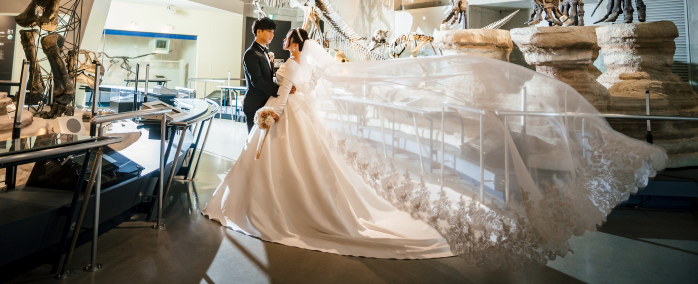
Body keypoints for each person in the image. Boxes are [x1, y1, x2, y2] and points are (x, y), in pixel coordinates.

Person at [204, 29, 666, 266]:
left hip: (287, 119)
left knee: (303, 178)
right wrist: (275, 109)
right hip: (283, 118)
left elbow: (291, 93)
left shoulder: (298, 67)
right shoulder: (293, 66)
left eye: (289, 41)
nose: (286, 44)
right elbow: (290, 92)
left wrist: (276, 108)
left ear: (296, 44)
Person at [241, 18, 293, 132]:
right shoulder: (251, 53)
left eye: (273, 32)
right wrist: (281, 89)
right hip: (254, 104)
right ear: (258, 31)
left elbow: (267, 78)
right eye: (269, 31)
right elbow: (257, 81)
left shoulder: (264, 52)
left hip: (264, 103)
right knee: (253, 142)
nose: (272, 35)